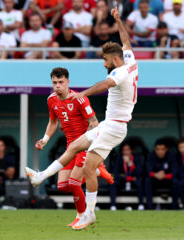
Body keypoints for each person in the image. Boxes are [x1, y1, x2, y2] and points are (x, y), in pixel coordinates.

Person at [26, 7, 138, 229]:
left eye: (105, 60)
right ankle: (40, 177)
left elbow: (104, 84)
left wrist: (83, 93)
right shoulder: (130, 61)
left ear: (114, 60)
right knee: (75, 145)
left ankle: (89, 213)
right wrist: (118, 20)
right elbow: (126, 41)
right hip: (111, 124)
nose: (103, 63)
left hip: (115, 126)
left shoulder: (119, 73)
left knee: (87, 168)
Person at [35, 67, 113, 226]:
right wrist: (45, 139)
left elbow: (94, 123)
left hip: (84, 145)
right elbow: (53, 122)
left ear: (67, 82)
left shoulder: (79, 98)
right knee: (63, 186)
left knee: (74, 183)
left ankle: (81, 216)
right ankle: (97, 170)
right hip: (70, 147)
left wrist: (87, 139)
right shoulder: (51, 100)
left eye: (61, 82)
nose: (57, 86)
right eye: (54, 82)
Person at [144, 139, 178, 209]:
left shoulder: (171, 155)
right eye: (158, 149)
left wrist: (165, 176)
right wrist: (156, 175)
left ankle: (175, 207)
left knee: (175, 181)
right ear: (155, 149)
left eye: (162, 149)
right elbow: (148, 171)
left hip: (167, 179)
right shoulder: (151, 155)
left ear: (166, 149)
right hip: (155, 180)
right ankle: (149, 208)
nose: (160, 151)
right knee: (147, 181)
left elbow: (175, 172)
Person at [110, 142, 144, 211]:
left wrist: (130, 163)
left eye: (127, 150)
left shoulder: (137, 158)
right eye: (124, 150)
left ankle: (141, 205)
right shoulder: (119, 158)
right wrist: (126, 178)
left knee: (140, 183)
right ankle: (113, 206)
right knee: (113, 183)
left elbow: (139, 173)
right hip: (123, 180)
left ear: (131, 150)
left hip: (134, 180)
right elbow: (115, 173)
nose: (126, 152)